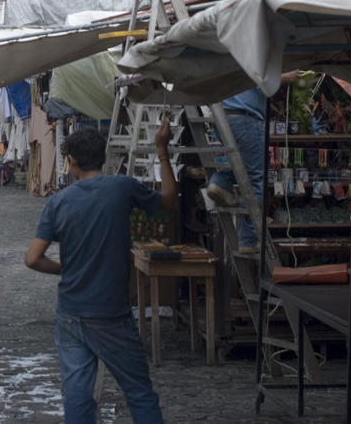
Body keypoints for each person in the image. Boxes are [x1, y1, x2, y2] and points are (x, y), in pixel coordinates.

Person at [25, 120, 177, 424]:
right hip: (111, 314)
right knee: (139, 394)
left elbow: (32, 259)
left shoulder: (58, 201)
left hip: (70, 313)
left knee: (78, 398)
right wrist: (162, 151)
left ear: (71, 161)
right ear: (104, 158)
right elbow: (170, 203)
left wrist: (66, 270)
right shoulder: (122, 187)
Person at [205, 73, 299, 254]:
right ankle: (248, 238)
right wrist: (285, 76)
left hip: (223, 117)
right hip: (246, 118)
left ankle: (220, 181)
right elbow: (261, 76)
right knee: (256, 179)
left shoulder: (233, 55)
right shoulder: (252, 55)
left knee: (244, 166)